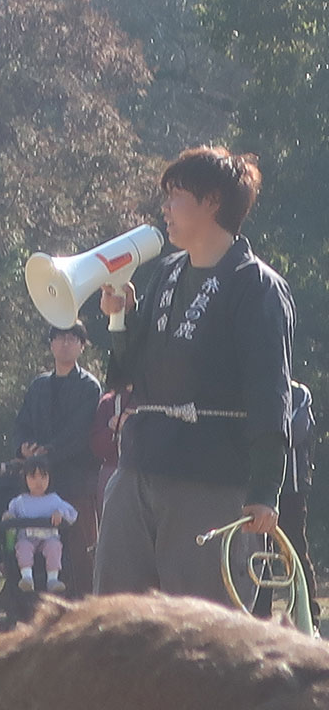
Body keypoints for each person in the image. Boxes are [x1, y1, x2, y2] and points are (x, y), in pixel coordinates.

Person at [95, 146, 294, 606]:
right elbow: (128, 373)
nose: (164, 207)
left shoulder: (257, 286)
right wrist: (120, 318)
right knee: (114, 617)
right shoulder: (165, 272)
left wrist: (266, 489)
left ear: (212, 203)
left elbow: (271, 393)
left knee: (203, 629)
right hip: (139, 466)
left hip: (211, 477)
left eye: (176, 195)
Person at [13, 322, 101, 596]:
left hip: (76, 482)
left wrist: (49, 451)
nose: (65, 343)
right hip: (37, 486)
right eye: (59, 337)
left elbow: (81, 432)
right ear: (51, 344)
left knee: (80, 551)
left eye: (72, 338)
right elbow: (21, 425)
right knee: (33, 549)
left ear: (82, 346)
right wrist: (23, 448)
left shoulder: (89, 387)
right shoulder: (38, 386)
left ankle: (86, 607)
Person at [253, 378, 319, 628]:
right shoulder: (252, 387)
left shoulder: (299, 394)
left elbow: (291, 433)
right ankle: (259, 619)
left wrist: (260, 434)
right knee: (257, 555)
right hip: (256, 490)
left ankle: (309, 619)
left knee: (294, 552)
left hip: (290, 491)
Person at [3, 455, 78, 592]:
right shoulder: (20, 501)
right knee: (23, 546)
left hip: (49, 538)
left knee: (54, 546)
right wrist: (8, 516)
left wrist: (60, 513)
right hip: (27, 538)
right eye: (33, 477)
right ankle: (26, 578)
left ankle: (53, 580)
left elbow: (72, 514)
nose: (39, 482)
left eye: (43, 477)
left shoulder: (54, 500)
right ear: (25, 479)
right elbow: (10, 515)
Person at [90, 382, 135, 523]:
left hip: (147, 475)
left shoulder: (155, 400)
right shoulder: (108, 402)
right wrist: (111, 428)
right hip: (112, 470)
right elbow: (97, 447)